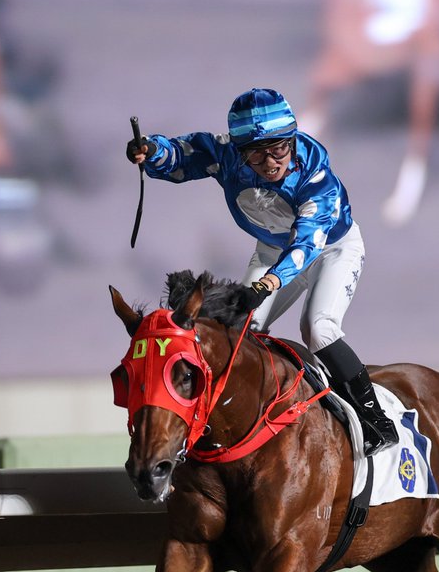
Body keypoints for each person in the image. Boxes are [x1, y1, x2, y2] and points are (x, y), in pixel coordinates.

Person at [125, 87, 398, 456]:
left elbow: (306, 246)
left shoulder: (317, 177)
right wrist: (151, 151)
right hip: (272, 251)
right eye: (255, 153)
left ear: (292, 139)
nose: (269, 162)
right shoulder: (225, 154)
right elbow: (182, 154)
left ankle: (375, 420)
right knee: (236, 333)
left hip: (330, 250)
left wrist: (267, 283)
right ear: (238, 152)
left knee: (318, 328)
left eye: (278, 149)